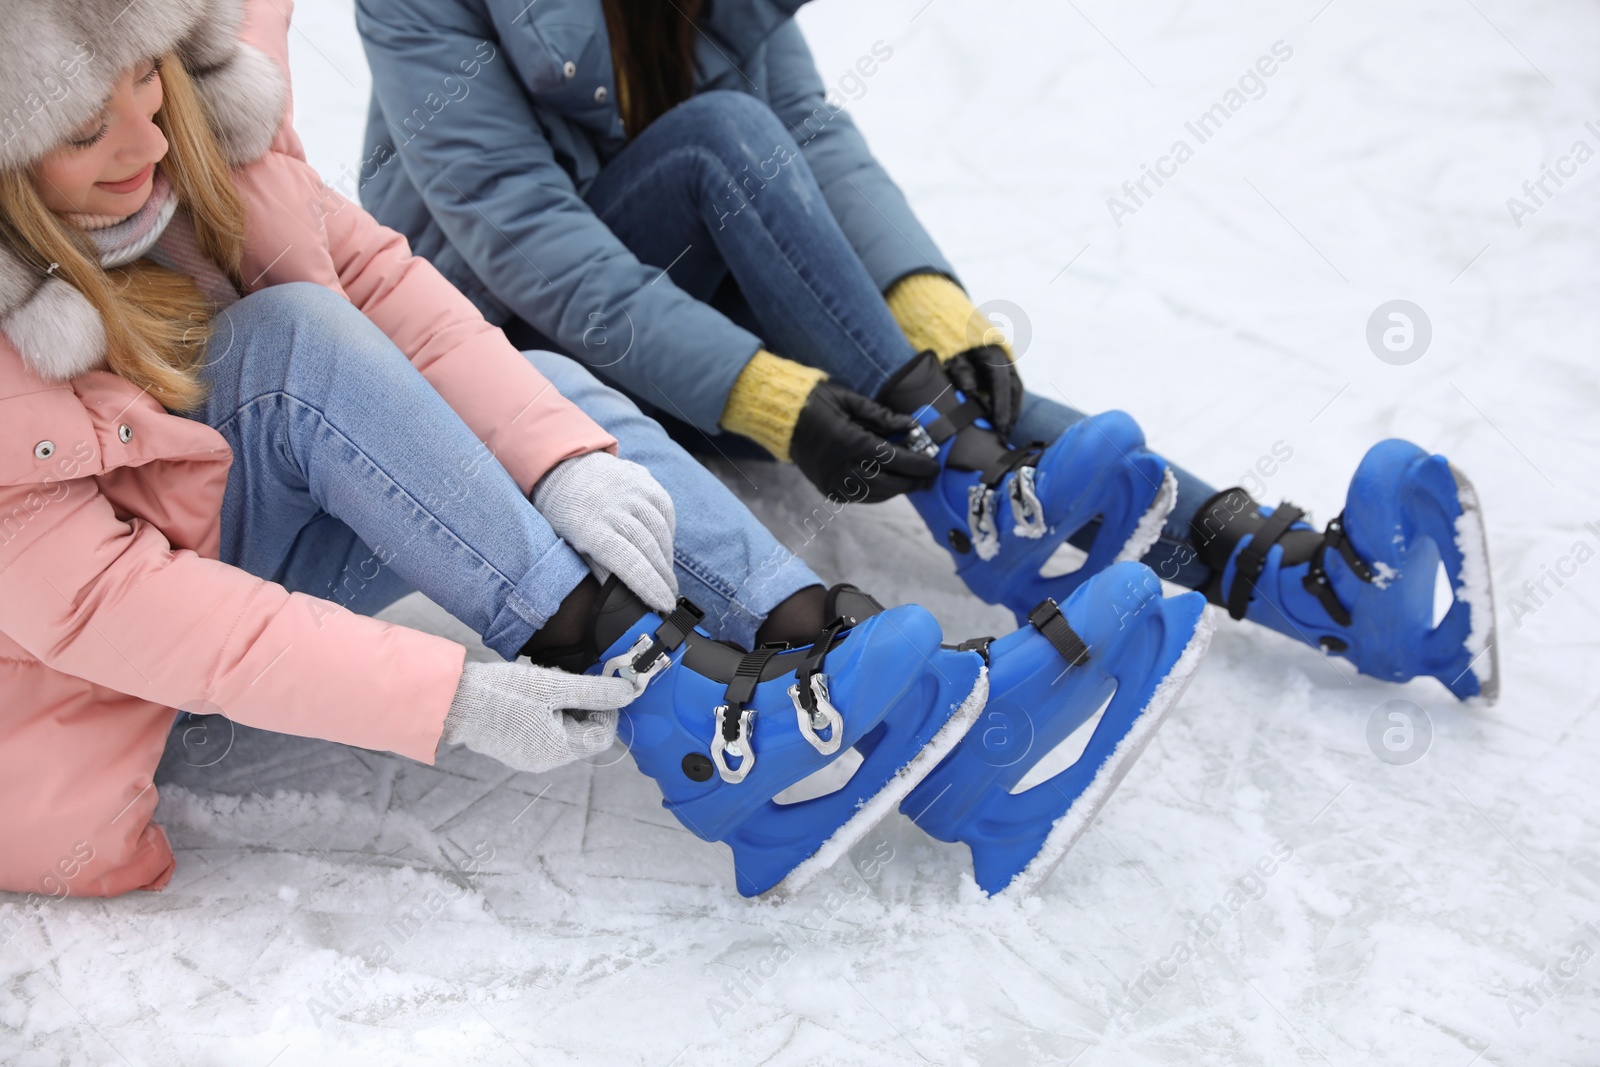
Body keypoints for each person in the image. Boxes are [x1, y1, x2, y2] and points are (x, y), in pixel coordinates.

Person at [0, 0, 1208, 902]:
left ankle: (873, 688)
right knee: (293, 345)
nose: (142, 139)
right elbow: (124, 606)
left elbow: (388, 284)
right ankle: (692, 722)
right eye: (84, 128)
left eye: (145, 83)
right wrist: (448, 695)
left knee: (538, 388)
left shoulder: (210, 137)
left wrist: (557, 456)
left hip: (253, 529)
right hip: (125, 683)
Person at [354, 0, 1499, 703]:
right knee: (722, 143)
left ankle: (1298, 573)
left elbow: (810, 132)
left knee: (926, 369)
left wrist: (934, 308)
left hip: (684, 321)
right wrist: (770, 396)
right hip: (515, 365)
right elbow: (527, 237)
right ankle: (983, 487)